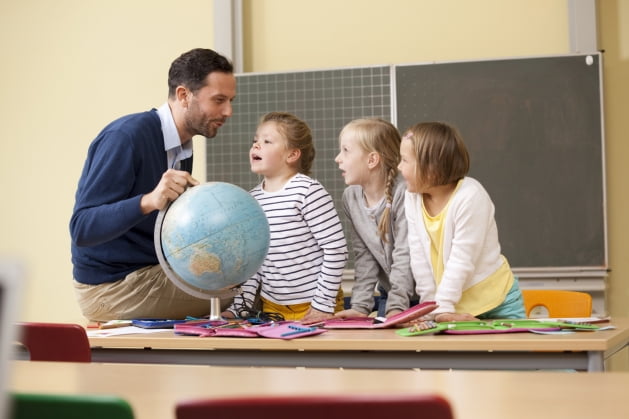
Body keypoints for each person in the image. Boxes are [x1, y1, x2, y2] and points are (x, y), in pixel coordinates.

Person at [70, 48, 237, 322]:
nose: (228, 111)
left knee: (243, 276)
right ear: (184, 95)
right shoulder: (126, 137)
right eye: (219, 100)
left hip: (151, 272)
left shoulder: (182, 148)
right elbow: (82, 228)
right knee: (245, 289)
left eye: (231, 100)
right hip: (111, 287)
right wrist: (148, 200)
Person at [222, 112, 348, 323]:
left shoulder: (308, 191)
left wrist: (322, 305)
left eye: (267, 141)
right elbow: (254, 264)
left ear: (292, 155)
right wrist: (238, 308)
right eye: (255, 141)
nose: (256, 146)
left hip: (318, 306)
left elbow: (336, 250)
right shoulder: (252, 200)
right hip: (273, 308)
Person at [398, 121, 525, 322]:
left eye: (404, 160)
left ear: (430, 168)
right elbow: (419, 257)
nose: (398, 167)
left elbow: (462, 259)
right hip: (452, 305)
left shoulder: (471, 196)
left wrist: (442, 308)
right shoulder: (412, 197)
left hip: (496, 302)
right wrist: (430, 307)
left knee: (511, 353)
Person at [333, 118, 415, 318]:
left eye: (345, 150)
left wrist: (397, 307)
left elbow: (405, 254)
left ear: (372, 160)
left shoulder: (404, 193)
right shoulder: (351, 197)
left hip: (422, 296)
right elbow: (364, 256)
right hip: (392, 294)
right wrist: (360, 307)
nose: (338, 158)